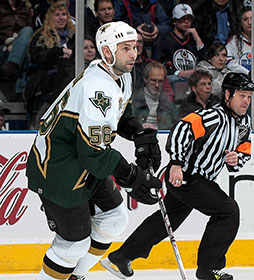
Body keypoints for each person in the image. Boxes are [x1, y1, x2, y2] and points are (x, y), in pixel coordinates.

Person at [26, 21, 162, 280]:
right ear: (108, 52)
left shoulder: (120, 74)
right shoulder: (96, 88)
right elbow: (94, 153)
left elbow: (120, 112)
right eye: (125, 48)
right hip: (58, 169)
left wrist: (138, 133)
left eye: (134, 47)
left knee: (114, 220)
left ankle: (75, 276)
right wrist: (132, 176)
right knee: (72, 244)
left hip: (82, 162)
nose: (134, 54)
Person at [100, 72, 254, 280]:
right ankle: (209, 268)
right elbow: (182, 129)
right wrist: (176, 163)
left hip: (198, 181)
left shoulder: (243, 124)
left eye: (249, 96)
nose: (246, 101)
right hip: (188, 178)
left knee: (164, 223)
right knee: (228, 211)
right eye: (242, 95)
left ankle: (121, 257)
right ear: (228, 95)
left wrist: (237, 159)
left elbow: (244, 150)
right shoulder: (213, 117)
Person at [23, 1, 75, 130]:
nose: (61, 18)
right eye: (57, 15)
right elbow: (36, 57)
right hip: (45, 85)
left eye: (64, 14)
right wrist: (59, 52)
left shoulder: (76, 36)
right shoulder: (41, 35)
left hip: (69, 85)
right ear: (49, 17)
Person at [151, 4, 206, 97]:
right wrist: (180, 73)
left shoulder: (193, 39)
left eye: (189, 18)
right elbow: (158, 65)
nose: (186, 21)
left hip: (194, 80)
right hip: (173, 79)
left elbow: (204, 61)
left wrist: (197, 38)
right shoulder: (164, 40)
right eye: (182, 18)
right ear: (174, 21)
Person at [132, 61, 178, 130]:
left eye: (160, 81)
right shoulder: (134, 99)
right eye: (153, 80)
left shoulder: (168, 102)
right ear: (145, 79)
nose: (157, 85)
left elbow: (177, 124)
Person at [132, 31, 174, 102]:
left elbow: (168, 91)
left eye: (139, 42)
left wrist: (166, 106)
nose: (137, 45)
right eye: (134, 42)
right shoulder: (122, 67)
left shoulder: (154, 65)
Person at [0, 0, 33, 83]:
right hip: (3, 46)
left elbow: (31, 30)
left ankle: (12, 65)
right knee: (23, 53)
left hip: (21, 41)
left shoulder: (25, 7)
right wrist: (6, 40)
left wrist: (17, 41)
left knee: (27, 30)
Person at [226, 6, 254, 74]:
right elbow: (229, 62)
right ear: (240, 22)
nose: (249, 22)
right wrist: (247, 73)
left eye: (252, 19)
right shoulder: (233, 41)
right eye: (245, 19)